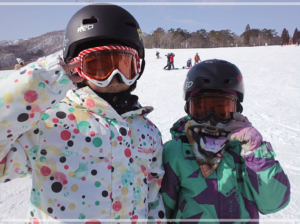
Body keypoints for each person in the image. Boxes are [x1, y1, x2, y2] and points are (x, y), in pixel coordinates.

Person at [0, 4, 166, 223]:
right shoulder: (49, 125)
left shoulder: (148, 131)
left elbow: (152, 198)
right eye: (99, 67)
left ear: (138, 68)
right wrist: (42, 81)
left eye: (124, 66)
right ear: (76, 68)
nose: (115, 77)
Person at [161, 59, 290, 223]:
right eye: (201, 109)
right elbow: (162, 211)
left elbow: (274, 204)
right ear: (188, 109)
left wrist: (256, 154)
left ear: (237, 109)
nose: (211, 118)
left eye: (222, 110)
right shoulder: (176, 151)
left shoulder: (244, 151)